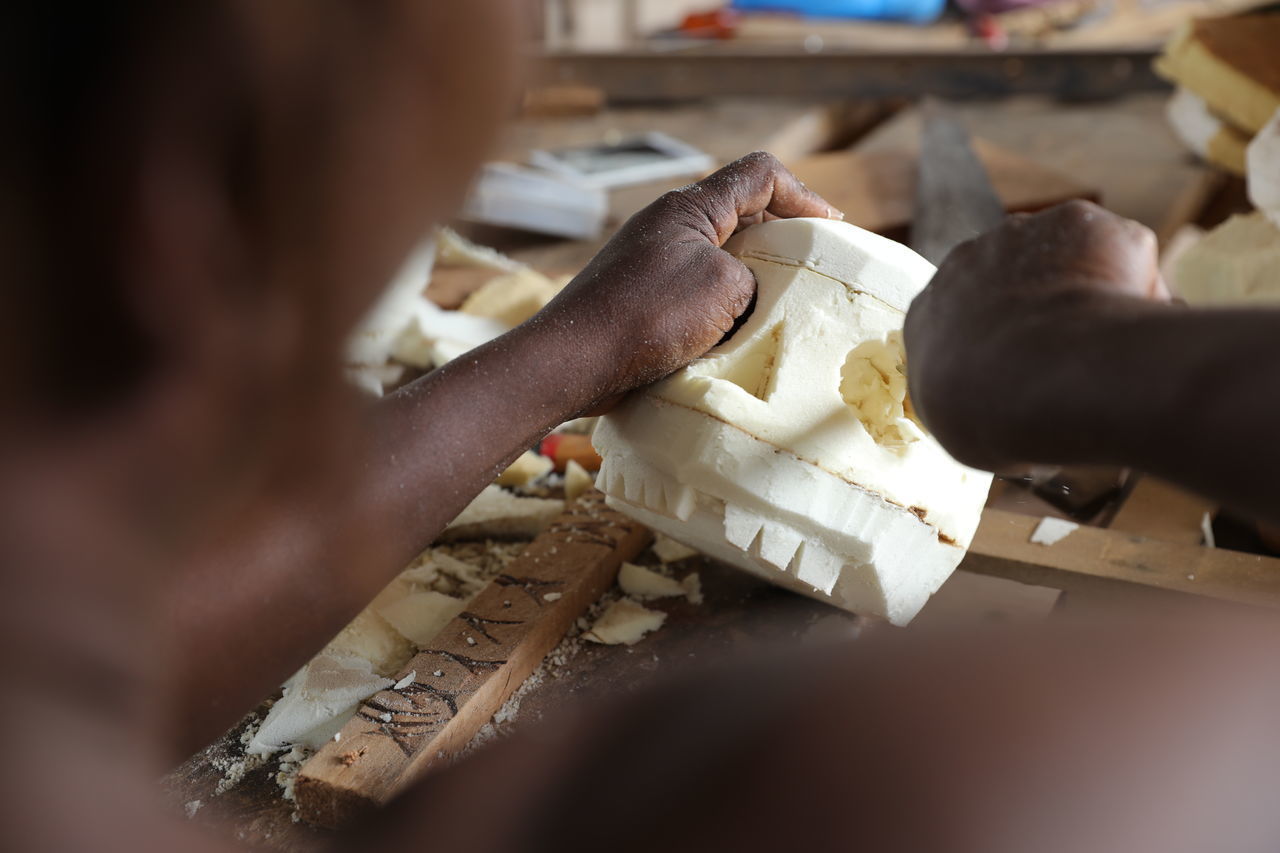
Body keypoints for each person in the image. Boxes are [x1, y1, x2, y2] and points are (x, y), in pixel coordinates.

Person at [4, 2, 1280, 851]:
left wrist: (560, 353)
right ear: (182, 206)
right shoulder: (706, 787)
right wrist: (1081, 359)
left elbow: (92, 666)